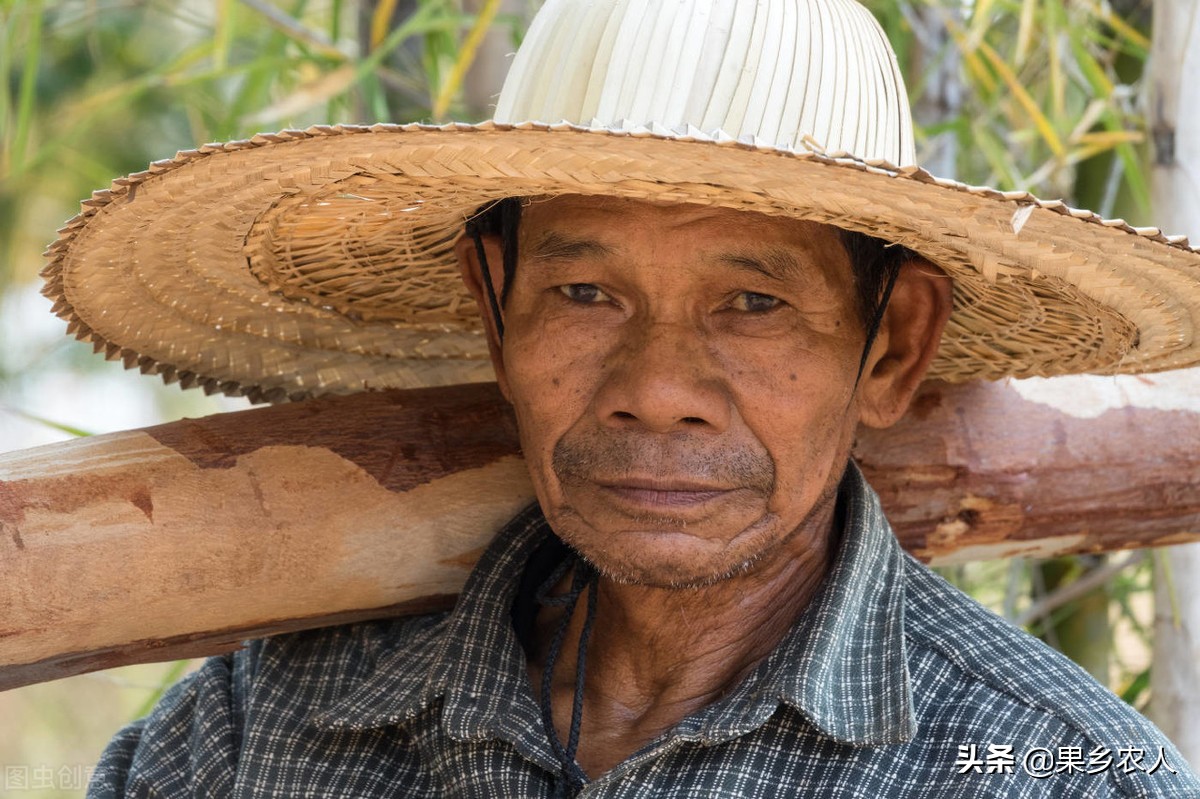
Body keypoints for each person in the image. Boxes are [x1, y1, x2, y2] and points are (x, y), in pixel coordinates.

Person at [41, 0, 1200, 796]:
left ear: (893, 348)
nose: (656, 391)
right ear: (493, 311)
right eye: (586, 291)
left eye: (752, 303)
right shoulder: (268, 726)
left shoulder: (1056, 768)